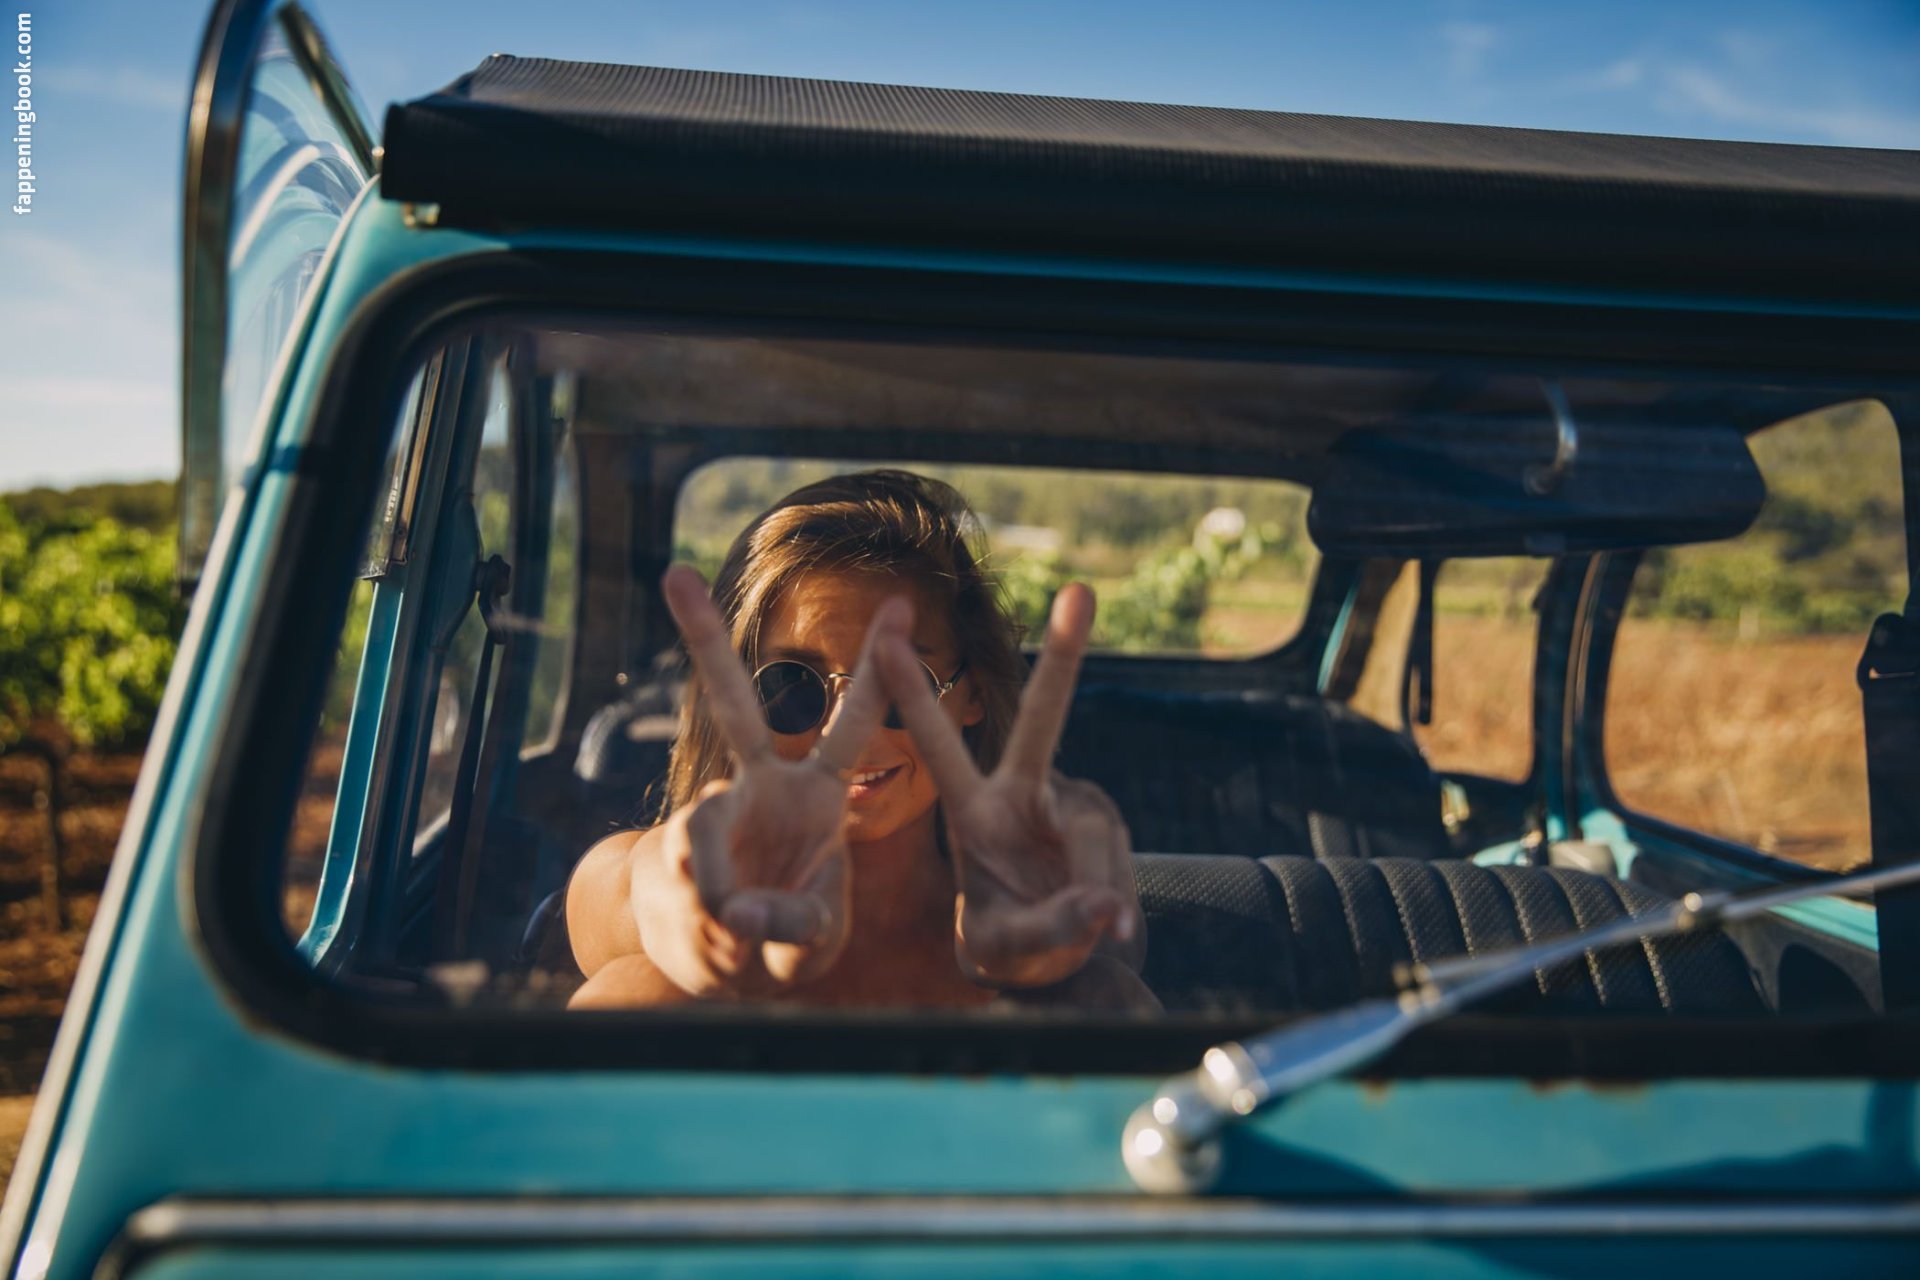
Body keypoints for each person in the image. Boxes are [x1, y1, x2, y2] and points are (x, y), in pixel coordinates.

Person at [565, 469, 1154, 1011]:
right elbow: (628, 889)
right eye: (790, 685)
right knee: (632, 992)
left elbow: (1111, 933)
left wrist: (1038, 939)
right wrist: (692, 912)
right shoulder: (672, 864)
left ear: (972, 693)